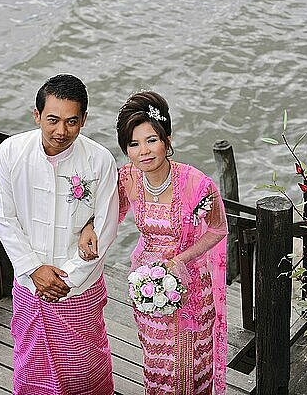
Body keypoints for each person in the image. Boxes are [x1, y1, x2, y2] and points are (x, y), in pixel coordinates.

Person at [79, 91, 228, 394]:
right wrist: (88, 227)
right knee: (157, 360)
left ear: (167, 140)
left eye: (151, 140)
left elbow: (218, 230)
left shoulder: (196, 183)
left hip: (191, 287)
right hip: (147, 284)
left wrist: (180, 260)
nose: (143, 151)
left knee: (191, 361)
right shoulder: (128, 180)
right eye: (133, 144)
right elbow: (108, 216)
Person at [0, 74, 119, 395]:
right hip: (30, 285)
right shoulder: (10, 153)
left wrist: (68, 279)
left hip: (79, 288)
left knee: (85, 367)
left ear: (84, 119)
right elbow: (4, 218)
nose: (61, 131)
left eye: (71, 122)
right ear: (36, 115)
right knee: (31, 364)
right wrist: (34, 269)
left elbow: (105, 225)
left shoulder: (99, 160)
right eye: (52, 120)